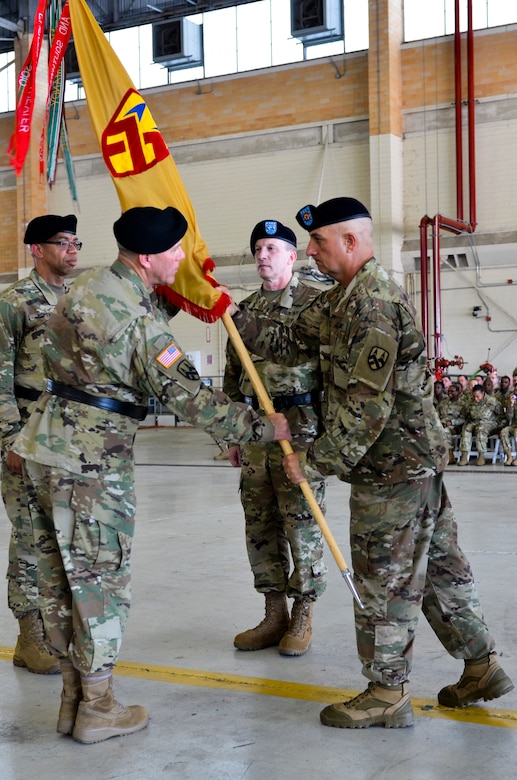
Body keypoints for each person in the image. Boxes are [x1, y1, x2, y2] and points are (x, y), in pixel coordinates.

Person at [226, 196, 513, 729]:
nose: (309, 251)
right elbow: (286, 338)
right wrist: (223, 309)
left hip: (394, 468)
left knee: (385, 579)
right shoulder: (340, 298)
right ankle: (482, 664)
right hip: (410, 462)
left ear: (351, 242)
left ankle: (386, 693)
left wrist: (313, 462)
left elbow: (365, 410)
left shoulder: (372, 306)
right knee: (439, 570)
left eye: (318, 241)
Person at [12, 206, 291, 745]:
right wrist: (264, 427)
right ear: (147, 257)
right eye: (174, 250)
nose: (183, 257)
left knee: (57, 578)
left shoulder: (86, 287)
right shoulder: (141, 325)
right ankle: (98, 707)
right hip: (92, 458)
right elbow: (192, 402)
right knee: (99, 582)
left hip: (45, 442)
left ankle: (72, 699)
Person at [223, 220, 326, 657]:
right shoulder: (240, 312)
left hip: (300, 431)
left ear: (292, 255)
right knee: (260, 524)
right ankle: (273, 612)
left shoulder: (316, 307)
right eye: (258, 249)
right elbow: (233, 379)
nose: (263, 255)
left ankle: (303, 612)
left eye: (272, 247)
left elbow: (334, 378)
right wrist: (230, 432)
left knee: (302, 523)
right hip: (254, 435)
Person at [0, 214, 81, 675]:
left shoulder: (77, 300)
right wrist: (12, 438)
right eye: (62, 242)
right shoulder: (14, 302)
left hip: (70, 438)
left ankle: (56, 629)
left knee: (66, 535)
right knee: (31, 536)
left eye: (75, 242)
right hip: (27, 437)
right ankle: (28, 635)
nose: (72, 249)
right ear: (36, 249)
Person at [458, 383, 502, 466]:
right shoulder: (470, 401)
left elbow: (501, 415)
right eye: (474, 396)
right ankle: (464, 456)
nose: (476, 399)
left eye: (478, 396)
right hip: (474, 422)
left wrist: (499, 426)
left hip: (489, 423)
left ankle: (481, 456)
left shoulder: (492, 401)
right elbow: (465, 413)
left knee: (480, 429)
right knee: (466, 429)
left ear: (483, 393)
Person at [436, 382, 465, 464]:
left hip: (455, 426)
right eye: (448, 391)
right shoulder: (443, 402)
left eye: (452, 391)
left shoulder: (462, 404)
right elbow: (436, 414)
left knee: (445, 431)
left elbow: (463, 418)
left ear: (458, 392)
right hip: (441, 424)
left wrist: (451, 422)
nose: (450, 393)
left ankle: (450, 455)